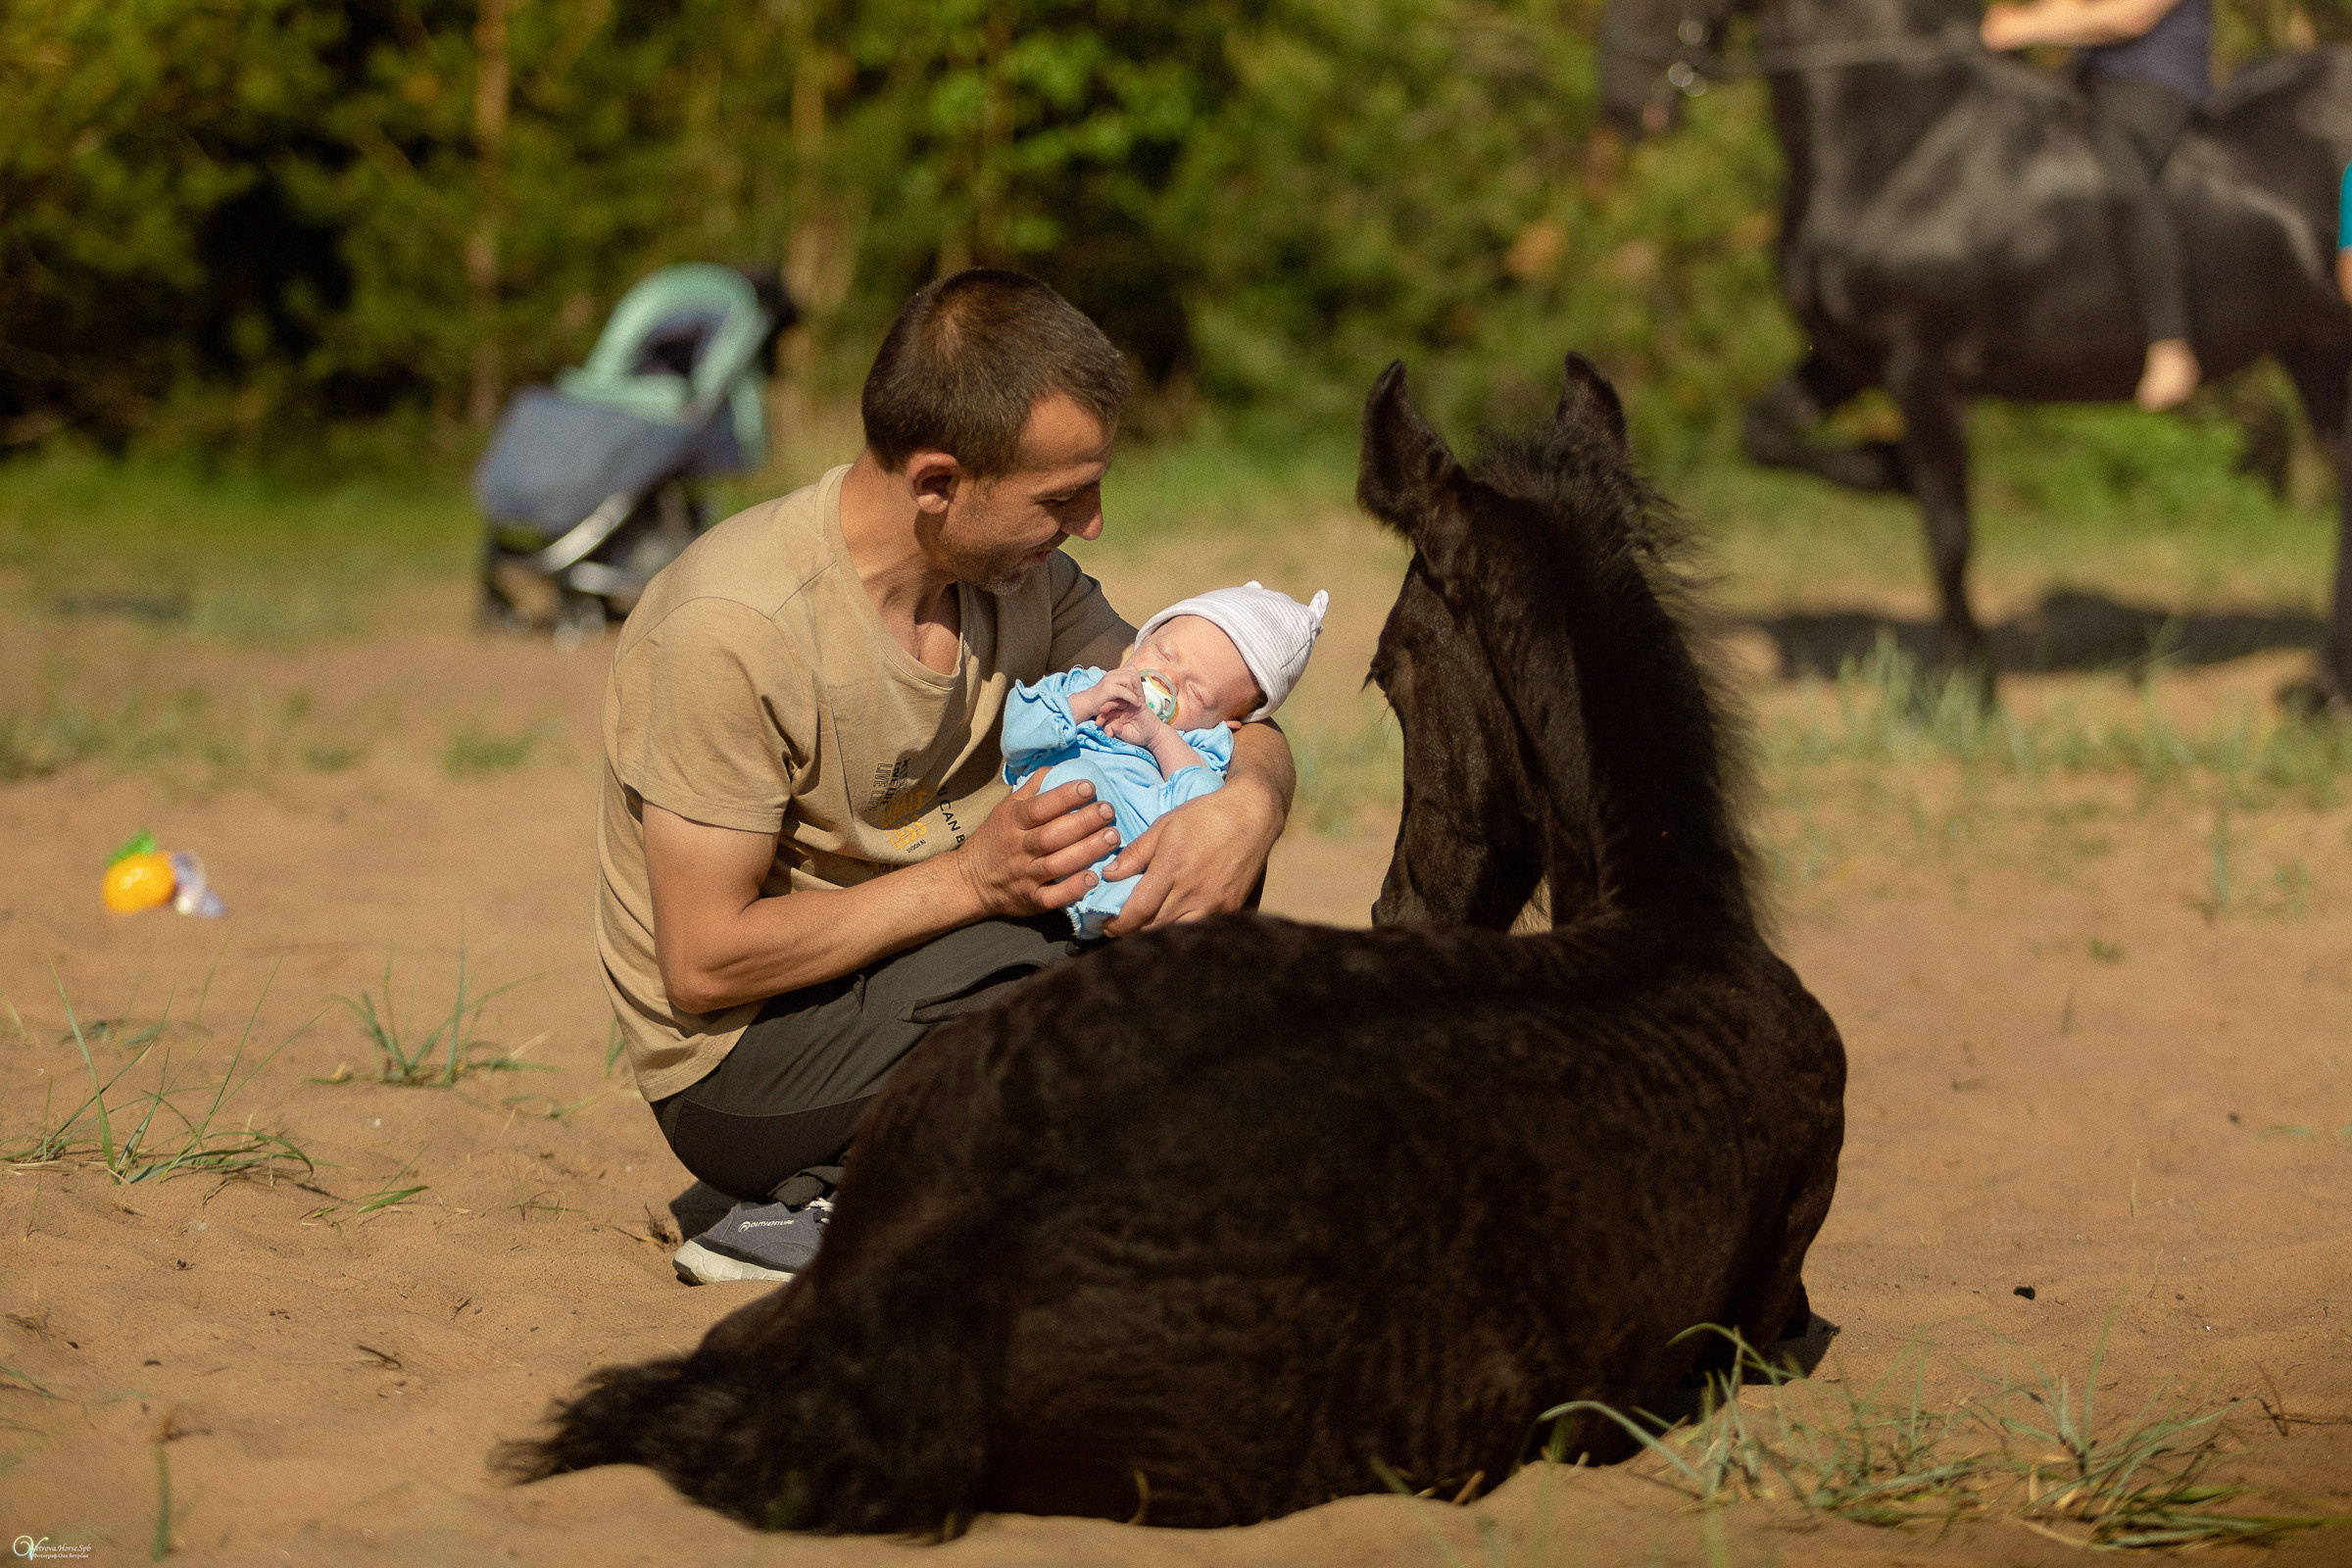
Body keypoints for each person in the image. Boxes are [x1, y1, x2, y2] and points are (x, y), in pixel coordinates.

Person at [598, 270, 1297, 1285]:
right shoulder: (734, 627)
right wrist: (975, 881)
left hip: (945, 967)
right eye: (1062, 496)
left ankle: (957, 1182)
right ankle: (818, 1206)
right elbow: (705, 963)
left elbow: (1219, 710)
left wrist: (1251, 803)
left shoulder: (1028, 577)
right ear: (938, 483)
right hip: (750, 1065)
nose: (1093, 523)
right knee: (1041, 980)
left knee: (1197, 849)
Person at [1004, 582, 1330, 940]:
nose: (1166, 681)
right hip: (1057, 827)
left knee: (1209, 794)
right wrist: (1086, 702)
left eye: (1195, 692)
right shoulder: (1084, 684)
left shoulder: (1197, 743)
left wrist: (1159, 737)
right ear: (1143, 639)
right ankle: (1101, 897)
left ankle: (1127, 900)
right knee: (1076, 779)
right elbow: (1016, 736)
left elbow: (1200, 807)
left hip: (1138, 847)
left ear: (1227, 724)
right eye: (1164, 654)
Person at [1982, 0, 2211, 411]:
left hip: (2155, 82)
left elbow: (2130, 15)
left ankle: (2170, 344)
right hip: (2085, 82)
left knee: (2121, 175)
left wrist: (2023, 28)